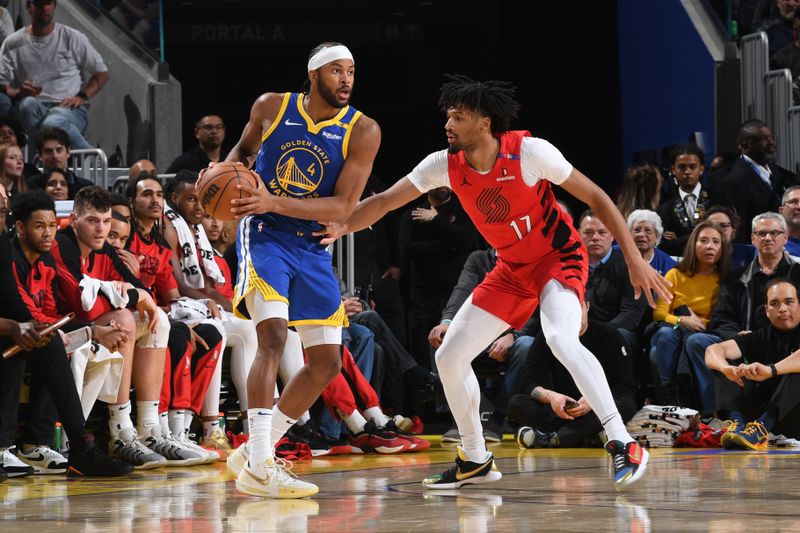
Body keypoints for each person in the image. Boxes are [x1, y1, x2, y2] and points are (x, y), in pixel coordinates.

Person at [317, 75, 671, 491]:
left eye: (458, 117)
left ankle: (622, 441)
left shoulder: (530, 153)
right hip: (511, 268)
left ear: (484, 123)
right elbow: (382, 202)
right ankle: (475, 457)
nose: (448, 125)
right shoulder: (442, 164)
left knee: (560, 338)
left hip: (558, 258)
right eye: (447, 116)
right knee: (449, 356)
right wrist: (340, 225)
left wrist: (633, 259)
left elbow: (597, 197)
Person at [223, 42, 380, 499]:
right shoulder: (271, 107)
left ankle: (259, 448)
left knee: (327, 361)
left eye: (351, 70)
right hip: (265, 234)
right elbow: (241, 153)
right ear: (313, 75)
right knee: (271, 337)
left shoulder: (363, 130)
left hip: (311, 246)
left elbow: (343, 205)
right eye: (336, 70)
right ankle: (258, 466)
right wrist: (225, 177)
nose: (347, 79)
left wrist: (274, 197)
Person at [510, 301, 637, 449]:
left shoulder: (610, 335)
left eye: (579, 308)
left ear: (588, 306)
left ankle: (556, 438)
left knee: (627, 405)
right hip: (561, 410)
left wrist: (592, 401)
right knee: (517, 403)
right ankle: (588, 437)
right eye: (569, 310)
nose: (574, 316)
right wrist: (551, 397)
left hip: (597, 410)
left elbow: (624, 387)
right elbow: (529, 381)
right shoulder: (548, 336)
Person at [0, 0, 110, 150]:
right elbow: (4, 86)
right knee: (26, 105)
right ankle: (39, 162)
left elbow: (102, 73)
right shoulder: (12, 42)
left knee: (52, 121)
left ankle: (90, 156)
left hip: (69, 108)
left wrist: (81, 96)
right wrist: (20, 92)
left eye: (48, 3)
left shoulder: (72, 37)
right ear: (28, 7)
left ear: (54, 5)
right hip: (34, 106)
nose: (44, 8)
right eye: (39, 3)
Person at [705, 278, 800, 448]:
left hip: (794, 415)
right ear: (766, 310)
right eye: (774, 304)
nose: (783, 309)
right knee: (721, 364)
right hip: (758, 418)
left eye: (789, 302)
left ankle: (762, 428)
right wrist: (726, 368)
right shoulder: (760, 336)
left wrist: (771, 370)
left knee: (795, 371)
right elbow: (712, 351)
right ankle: (736, 424)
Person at [648, 221, 729, 406]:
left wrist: (700, 325)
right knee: (665, 334)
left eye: (716, 242)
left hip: (708, 332)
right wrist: (681, 320)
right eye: (704, 240)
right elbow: (658, 313)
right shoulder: (675, 274)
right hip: (677, 329)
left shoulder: (725, 279)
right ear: (694, 245)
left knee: (662, 350)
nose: (710, 246)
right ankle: (671, 399)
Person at [715, 120, 800, 243]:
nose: (770, 143)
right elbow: (736, 231)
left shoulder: (786, 177)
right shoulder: (731, 183)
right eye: (761, 139)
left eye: (771, 138)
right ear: (743, 144)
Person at [657, 144, 710, 257]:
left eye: (692, 166)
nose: (687, 171)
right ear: (673, 170)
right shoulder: (664, 209)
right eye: (682, 167)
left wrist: (679, 239)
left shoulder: (715, 199)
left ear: (701, 169)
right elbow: (665, 247)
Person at [625, 209, 676, 275]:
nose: (641, 235)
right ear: (629, 233)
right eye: (637, 230)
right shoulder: (615, 254)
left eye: (648, 230)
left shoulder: (668, 265)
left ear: (657, 236)